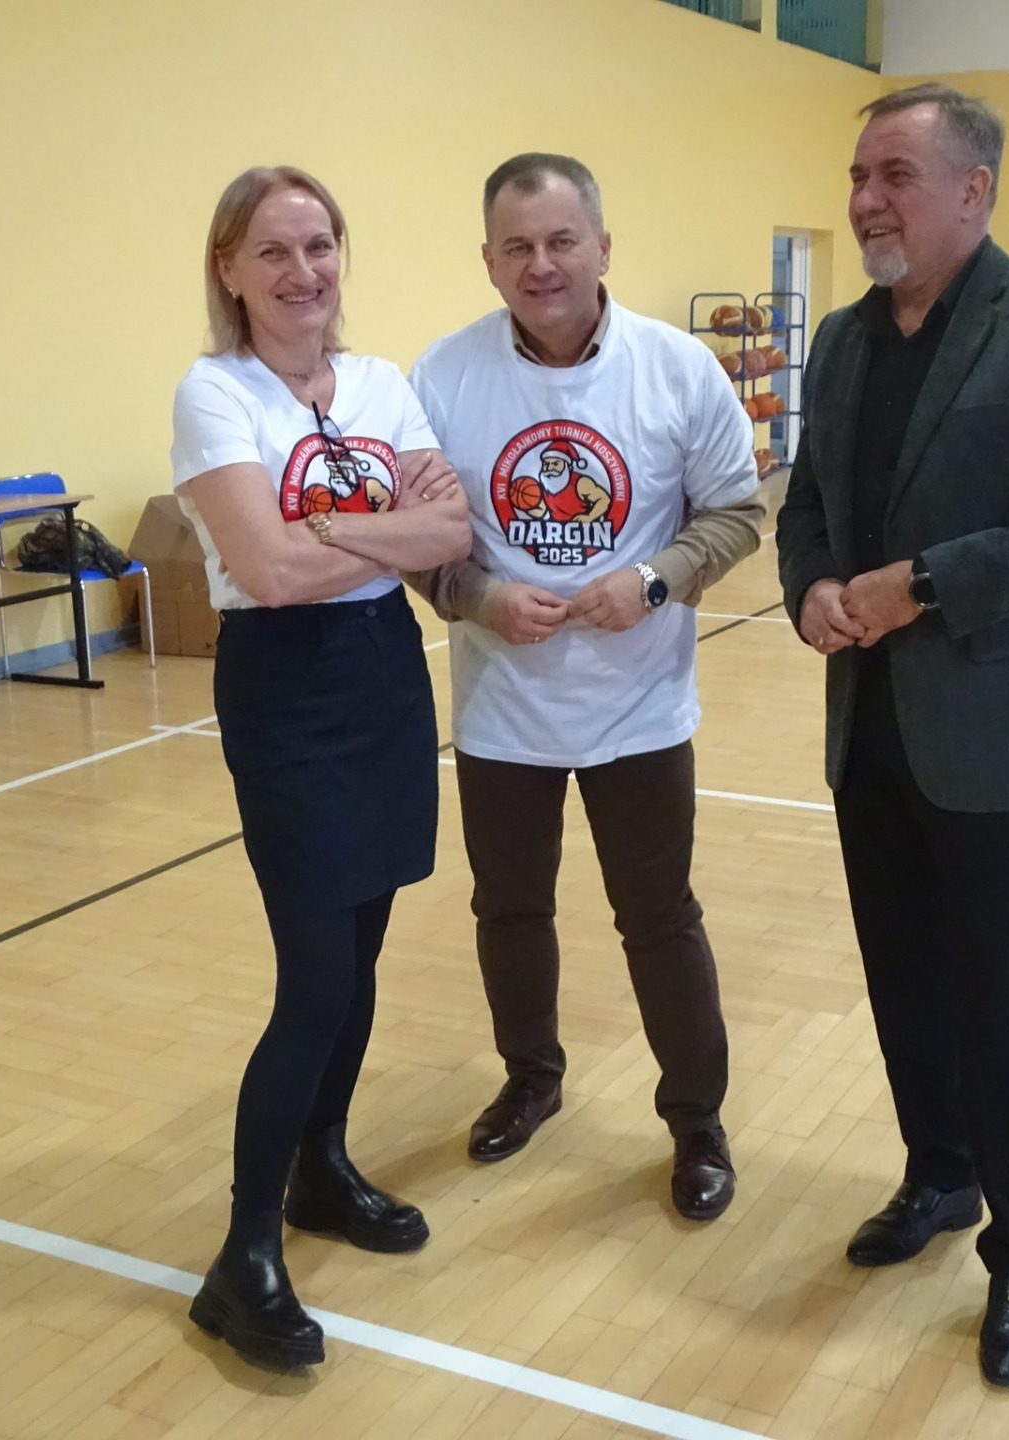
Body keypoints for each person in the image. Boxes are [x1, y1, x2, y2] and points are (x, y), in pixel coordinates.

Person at [775, 85, 1009, 1386]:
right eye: (857, 176)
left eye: (895, 174)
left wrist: (919, 586)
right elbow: (808, 506)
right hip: (867, 723)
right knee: (899, 971)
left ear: (973, 190)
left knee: (990, 990)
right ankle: (939, 1173)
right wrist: (813, 587)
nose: (866, 200)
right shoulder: (841, 341)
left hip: (987, 728)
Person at [408, 153, 763, 1221]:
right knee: (509, 909)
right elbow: (419, 543)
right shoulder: (442, 378)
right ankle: (531, 1079)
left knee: (658, 918)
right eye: (517, 246)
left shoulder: (677, 369)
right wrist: (477, 597)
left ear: (604, 247)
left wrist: (654, 580)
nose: (542, 265)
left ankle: (696, 1124)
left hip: (639, 711)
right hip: (500, 713)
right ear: (488, 260)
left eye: (562, 241)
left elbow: (739, 514)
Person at [170, 165, 472, 1372]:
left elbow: (452, 532)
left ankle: (321, 1167)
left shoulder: (384, 382)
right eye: (274, 251)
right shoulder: (214, 392)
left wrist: (327, 533)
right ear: (230, 269)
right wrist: (379, 533)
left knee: (362, 958)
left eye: (320, 245)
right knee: (315, 977)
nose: (304, 272)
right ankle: (242, 1257)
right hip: (284, 689)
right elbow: (269, 574)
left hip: (383, 674)